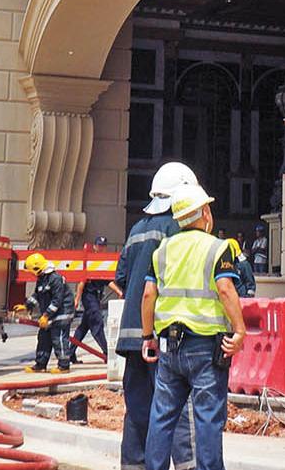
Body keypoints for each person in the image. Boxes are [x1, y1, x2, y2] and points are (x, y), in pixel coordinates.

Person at [141, 184, 246, 470]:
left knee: (162, 416)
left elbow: (148, 294)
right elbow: (225, 289)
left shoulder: (162, 250)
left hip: (169, 346)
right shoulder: (218, 247)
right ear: (204, 212)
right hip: (205, 347)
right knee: (208, 418)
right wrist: (239, 331)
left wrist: (148, 336)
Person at [115, 162, 198, 470]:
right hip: (162, 335)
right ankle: (189, 465)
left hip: (131, 337)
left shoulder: (136, 230)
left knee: (137, 409)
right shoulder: (177, 229)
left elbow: (122, 279)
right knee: (176, 407)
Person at [20, 253, 74, 374]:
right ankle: (40, 364)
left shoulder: (55, 279)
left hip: (62, 313)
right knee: (43, 338)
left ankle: (64, 366)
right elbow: (37, 295)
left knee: (58, 338)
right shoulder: (42, 279)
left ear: (37, 269)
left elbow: (57, 300)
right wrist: (27, 306)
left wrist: (46, 315)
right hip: (50, 315)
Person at [68, 236, 119, 364]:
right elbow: (81, 282)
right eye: (99, 245)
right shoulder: (90, 260)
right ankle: (107, 353)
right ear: (95, 247)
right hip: (89, 296)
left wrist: (119, 292)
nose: (101, 248)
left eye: (103, 246)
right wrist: (77, 299)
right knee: (97, 322)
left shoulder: (103, 263)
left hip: (95, 298)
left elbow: (107, 281)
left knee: (83, 327)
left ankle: (70, 353)